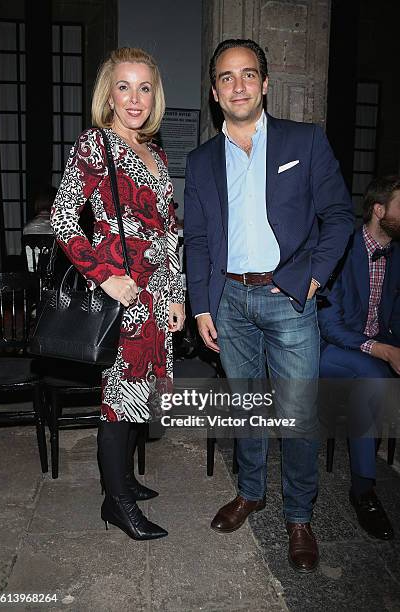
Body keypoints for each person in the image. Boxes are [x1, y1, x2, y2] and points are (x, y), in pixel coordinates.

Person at [184, 38, 353, 572]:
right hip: (229, 300)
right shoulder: (201, 159)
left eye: (248, 74)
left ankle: (299, 516)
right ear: (215, 92)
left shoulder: (306, 140)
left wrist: (312, 279)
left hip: (290, 300)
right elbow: (198, 239)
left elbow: (339, 216)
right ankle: (251, 492)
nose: (239, 85)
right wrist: (202, 303)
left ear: (265, 83)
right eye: (227, 77)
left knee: (298, 414)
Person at [51, 47, 185, 540]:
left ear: (156, 95)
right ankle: (118, 503)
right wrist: (104, 276)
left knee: (139, 398)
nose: (135, 98)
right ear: (108, 94)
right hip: (121, 297)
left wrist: (176, 295)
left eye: (144, 87)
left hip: (155, 297)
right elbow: (63, 220)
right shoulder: (95, 145)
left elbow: (168, 231)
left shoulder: (156, 151)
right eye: (124, 86)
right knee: (118, 401)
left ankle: (123, 478)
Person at [318, 175, 400, 540]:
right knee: (375, 379)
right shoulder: (341, 247)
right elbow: (328, 323)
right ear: (379, 210)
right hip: (329, 350)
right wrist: (382, 350)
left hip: (374, 349)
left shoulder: (397, 254)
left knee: (369, 383)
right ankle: (363, 490)